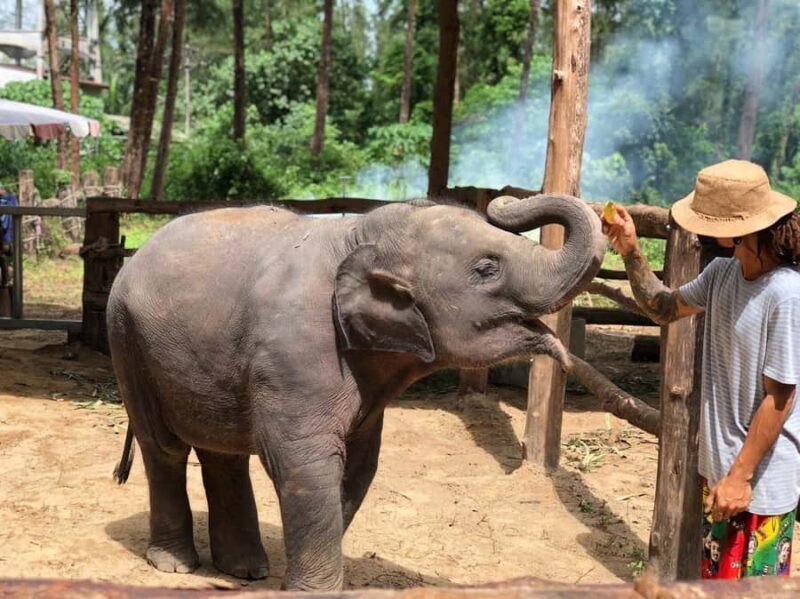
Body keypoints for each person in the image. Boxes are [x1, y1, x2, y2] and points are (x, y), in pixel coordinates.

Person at [604, 159, 800, 579]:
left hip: (756, 485)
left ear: (734, 229)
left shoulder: (786, 294)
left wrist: (740, 479)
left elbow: (780, 398)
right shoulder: (721, 274)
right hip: (722, 474)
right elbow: (662, 307)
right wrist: (632, 249)